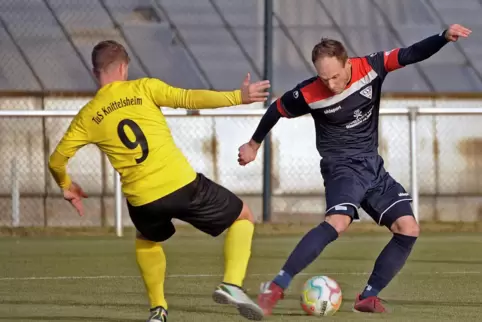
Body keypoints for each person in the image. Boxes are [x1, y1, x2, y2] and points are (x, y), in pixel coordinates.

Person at [237, 24, 472, 315]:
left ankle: (368, 296)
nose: (331, 84)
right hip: (341, 167)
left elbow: (410, 53)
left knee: (408, 229)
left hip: (372, 167)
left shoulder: (372, 67)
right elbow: (275, 109)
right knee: (338, 222)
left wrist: (442, 37)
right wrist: (253, 144)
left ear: (348, 63)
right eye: (324, 78)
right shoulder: (309, 92)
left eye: (335, 76)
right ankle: (276, 286)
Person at [48, 40, 271, 322]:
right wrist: (238, 97)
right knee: (242, 216)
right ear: (123, 68)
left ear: (95, 73)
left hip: (142, 201)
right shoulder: (144, 88)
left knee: (147, 238)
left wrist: (66, 186)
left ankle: (158, 310)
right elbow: (190, 98)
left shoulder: (88, 115)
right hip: (181, 184)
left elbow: (55, 160)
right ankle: (232, 284)